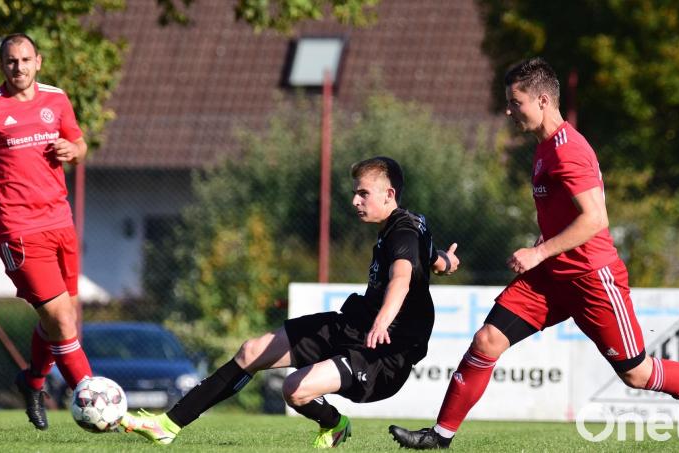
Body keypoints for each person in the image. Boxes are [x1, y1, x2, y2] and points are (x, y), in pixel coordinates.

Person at [388, 58, 679, 453]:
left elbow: (595, 219)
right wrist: (541, 250)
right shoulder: (545, 149)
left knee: (637, 373)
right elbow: (560, 217)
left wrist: (538, 251)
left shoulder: (569, 152)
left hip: (592, 278)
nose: (509, 111)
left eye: (516, 102)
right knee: (487, 340)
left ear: (543, 100)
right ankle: (439, 436)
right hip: (550, 276)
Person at [121, 156, 460, 448]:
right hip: (354, 324)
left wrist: (384, 319)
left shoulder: (402, 231)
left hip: (382, 354)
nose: (355, 200)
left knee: (294, 390)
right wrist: (445, 263)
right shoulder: (410, 226)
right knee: (251, 351)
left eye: (363, 193)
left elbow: (401, 277)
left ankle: (335, 425)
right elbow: (428, 257)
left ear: (390, 194)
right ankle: (168, 426)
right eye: (354, 192)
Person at [0, 33, 93, 430]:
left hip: (60, 221)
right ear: (1, 66)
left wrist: (72, 151)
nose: (19, 68)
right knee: (60, 319)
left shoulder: (56, 100)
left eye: (26, 60)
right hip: (18, 229)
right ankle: (96, 400)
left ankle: (32, 382)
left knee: (66, 318)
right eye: (11, 62)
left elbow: (80, 144)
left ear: (38, 61)